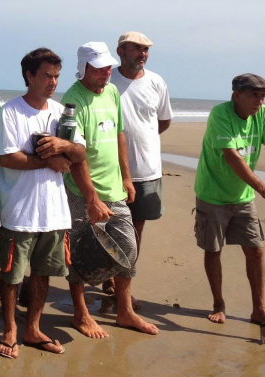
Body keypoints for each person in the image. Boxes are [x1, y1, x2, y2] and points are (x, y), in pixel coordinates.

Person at [0, 48, 88, 358]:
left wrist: (62, 146)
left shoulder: (62, 112)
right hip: (19, 210)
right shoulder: (11, 112)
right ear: (29, 76)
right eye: (47, 75)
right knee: (12, 274)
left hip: (54, 210)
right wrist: (49, 161)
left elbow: (81, 154)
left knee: (43, 274)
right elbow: (8, 157)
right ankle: (9, 328)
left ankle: (32, 328)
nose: (53, 82)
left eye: (57, 76)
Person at [62, 41, 159, 337]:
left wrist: (126, 178)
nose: (106, 72)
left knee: (128, 248)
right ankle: (80, 314)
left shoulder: (113, 92)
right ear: (84, 68)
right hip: (81, 191)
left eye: (107, 67)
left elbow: (119, 135)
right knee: (80, 252)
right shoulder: (71, 100)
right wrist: (91, 198)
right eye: (99, 67)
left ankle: (124, 311)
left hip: (114, 188)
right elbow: (73, 154)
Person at [194, 73, 265, 324]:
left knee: (255, 249)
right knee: (213, 249)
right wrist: (264, 189)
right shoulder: (220, 114)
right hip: (213, 194)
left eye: (263, 96)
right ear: (236, 95)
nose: (260, 101)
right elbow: (232, 156)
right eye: (254, 95)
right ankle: (218, 304)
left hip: (243, 195)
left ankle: (258, 309)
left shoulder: (263, 115)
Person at [105, 31, 173, 303]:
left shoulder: (156, 82)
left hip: (147, 171)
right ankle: (108, 275)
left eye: (146, 50)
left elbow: (163, 121)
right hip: (110, 171)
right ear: (120, 51)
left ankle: (123, 281)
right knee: (106, 226)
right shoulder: (106, 79)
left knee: (136, 229)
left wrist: (142, 140)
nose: (142, 54)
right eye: (136, 49)